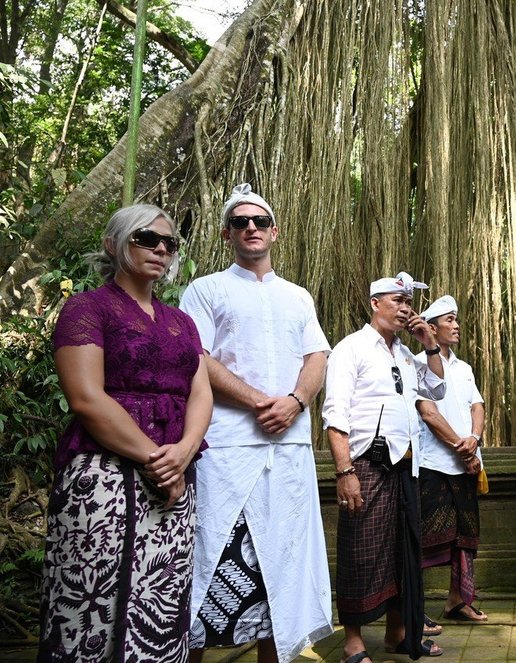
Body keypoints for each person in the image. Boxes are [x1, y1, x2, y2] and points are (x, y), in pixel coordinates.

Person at [37, 205, 212, 662]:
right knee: (92, 600)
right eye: (146, 238)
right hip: (104, 476)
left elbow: (201, 394)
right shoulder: (87, 308)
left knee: (162, 598)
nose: (160, 249)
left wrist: (184, 453)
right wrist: (160, 459)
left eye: (169, 243)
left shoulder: (183, 323)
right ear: (113, 245)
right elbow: (86, 398)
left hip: (176, 477)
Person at [180, 184, 333, 663]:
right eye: (241, 222)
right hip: (226, 450)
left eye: (260, 221)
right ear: (226, 233)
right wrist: (257, 402)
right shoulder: (206, 289)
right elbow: (196, 356)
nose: (251, 227)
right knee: (210, 563)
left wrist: (295, 400)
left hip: (289, 451)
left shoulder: (298, 296)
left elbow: (317, 355)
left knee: (283, 570)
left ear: (275, 231)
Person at [322, 272, 446, 663]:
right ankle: (353, 641)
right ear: (375, 303)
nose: (406, 308)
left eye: (409, 302)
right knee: (361, 549)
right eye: (397, 300)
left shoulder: (407, 356)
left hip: (407, 468)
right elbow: (334, 414)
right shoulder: (351, 348)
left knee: (404, 552)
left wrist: (429, 345)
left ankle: (398, 633)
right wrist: (345, 472)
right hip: (367, 465)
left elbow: (438, 390)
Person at [415, 295, 488, 628]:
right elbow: (428, 413)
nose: (456, 325)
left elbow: (477, 406)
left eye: (456, 320)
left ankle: (458, 601)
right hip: (434, 464)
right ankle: (412, 607)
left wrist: (474, 439)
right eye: (449, 320)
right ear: (431, 328)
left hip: (466, 464)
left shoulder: (465, 368)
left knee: (465, 537)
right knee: (427, 537)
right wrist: (462, 445)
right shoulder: (417, 364)